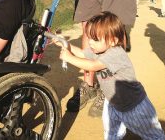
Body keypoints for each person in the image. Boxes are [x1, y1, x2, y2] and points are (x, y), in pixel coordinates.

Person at [54, 11, 165, 139]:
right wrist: (65, 44)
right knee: (111, 133)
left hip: (134, 106)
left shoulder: (116, 53)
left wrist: (69, 58)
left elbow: (92, 66)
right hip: (113, 103)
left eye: (95, 39)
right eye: (89, 37)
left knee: (154, 136)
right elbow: (83, 53)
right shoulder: (99, 49)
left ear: (113, 41)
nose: (90, 42)